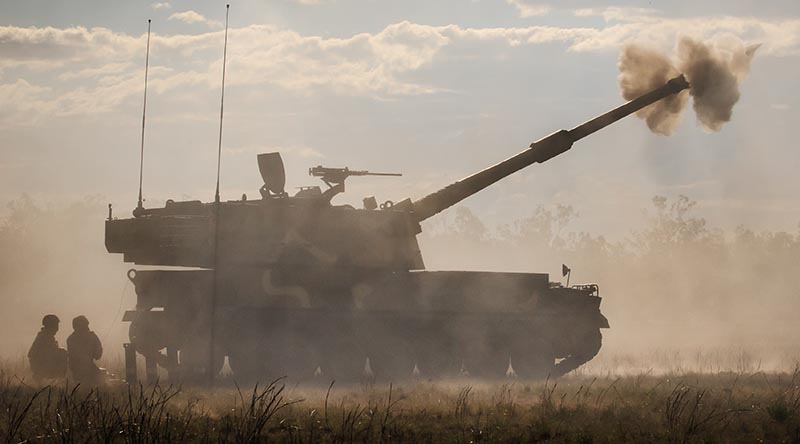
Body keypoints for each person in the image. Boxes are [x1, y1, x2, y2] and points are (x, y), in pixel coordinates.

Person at [28, 314, 68, 382]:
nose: (57, 329)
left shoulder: (46, 336)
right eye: (55, 326)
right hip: (41, 365)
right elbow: (49, 353)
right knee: (63, 354)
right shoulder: (44, 337)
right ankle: (43, 377)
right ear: (50, 326)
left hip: (42, 364)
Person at [67, 315, 104, 386]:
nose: (88, 328)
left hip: (76, 369)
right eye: (86, 326)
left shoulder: (71, 339)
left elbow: (97, 355)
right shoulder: (91, 337)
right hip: (82, 369)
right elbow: (97, 356)